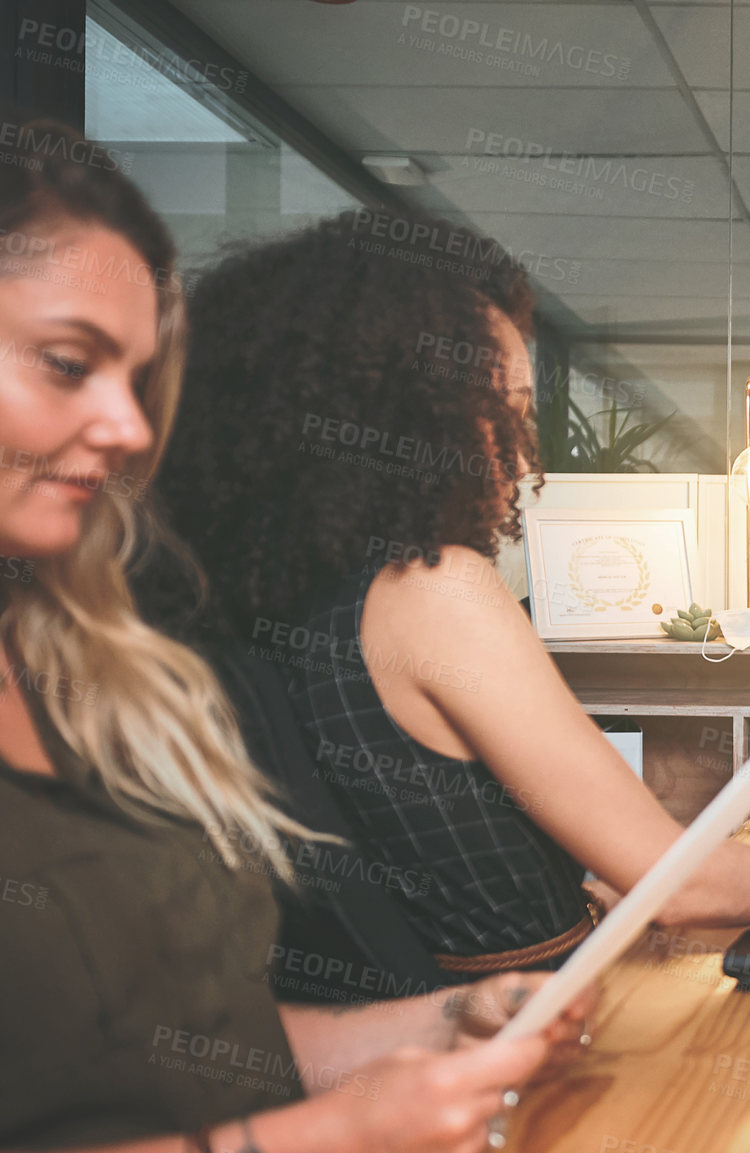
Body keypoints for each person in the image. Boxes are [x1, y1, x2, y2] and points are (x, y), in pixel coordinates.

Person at [0, 114, 588, 1152]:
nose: (130, 427)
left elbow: (186, 1039)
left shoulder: (102, 674)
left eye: (135, 379)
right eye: (63, 362)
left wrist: (436, 1022)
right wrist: (325, 1135)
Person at [151, 211, 750, 978]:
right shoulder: (431, 586)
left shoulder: (255, 598)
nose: (520, 459)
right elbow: (676, 881)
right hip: (542, 1033)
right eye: (505, 415)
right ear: (407, 416)